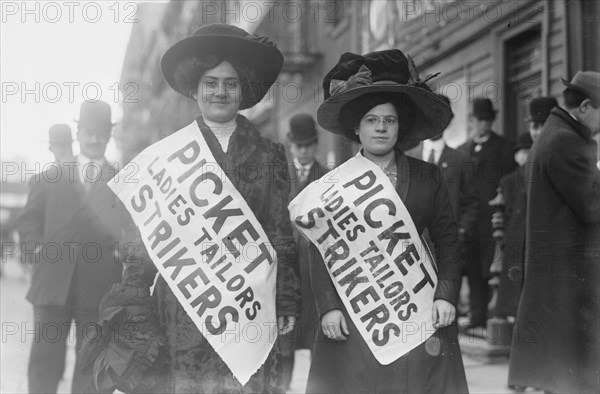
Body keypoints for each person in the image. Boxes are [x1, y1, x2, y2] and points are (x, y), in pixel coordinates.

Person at [82, 24, 301, 393]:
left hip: (250, 310)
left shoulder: (270, 155)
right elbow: (143, 243)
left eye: (230, 83)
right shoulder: (166, 159)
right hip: (184, 310)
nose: (220, 91)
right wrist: (133, 301)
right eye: (210, 82)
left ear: (242, 89)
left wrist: (287, 298)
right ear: (195, 89)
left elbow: (281, 233)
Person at [305, 49, 468, 393]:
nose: (381, 127)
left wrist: (446, 295)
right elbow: (320, 252)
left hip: (419, 306)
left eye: (389, 120)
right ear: (356, 126)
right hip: (359, 309)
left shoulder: (428, 177)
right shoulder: (331, 185)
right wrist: (329, 308)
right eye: (371, 119)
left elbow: (448, 239)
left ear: (399, 126)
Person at [18, 100, 126, 394]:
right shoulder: (50, 177)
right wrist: (34, 249)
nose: (94, 139)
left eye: (101, 133)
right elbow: (28, 221)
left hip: (101, 288)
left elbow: (135, 230)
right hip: (52, 285)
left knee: (91, 367)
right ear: (78, 133)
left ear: (109, 135)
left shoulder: (125, 182)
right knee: (44, 364)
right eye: (88, 132)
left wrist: (126, 251)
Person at [509, 71, 600, 393]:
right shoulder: (566, 140)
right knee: (571, 367)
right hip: (569, 266)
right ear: (586, 106)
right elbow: (592, 204)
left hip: (556, 265)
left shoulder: (554, 131)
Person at [491, 97, 557, 325]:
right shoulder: (523, 170)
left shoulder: (558, 158)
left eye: (542, 126)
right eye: (533, 127)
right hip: (519, 243)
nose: (537, 133)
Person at [457, 98, 516, 329]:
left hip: (494, 220)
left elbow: (509, 183)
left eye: (488, 120)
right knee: (472, 269)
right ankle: (477, 315)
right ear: (472, 120)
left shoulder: (504, 148)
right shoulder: (462, 151)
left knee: (491, 268)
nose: (484, 124)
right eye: (480, 120)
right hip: (471, 220)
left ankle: (497, 317)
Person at [280, 113, 328, 388]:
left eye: (308, 145)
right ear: (291, 146)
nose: (303, 151)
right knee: (285, 339)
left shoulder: (328, 178)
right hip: (286, 272)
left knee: (315, 340)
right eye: (299, 146)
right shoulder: (280, 176)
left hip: (315, 271)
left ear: (316, 144)